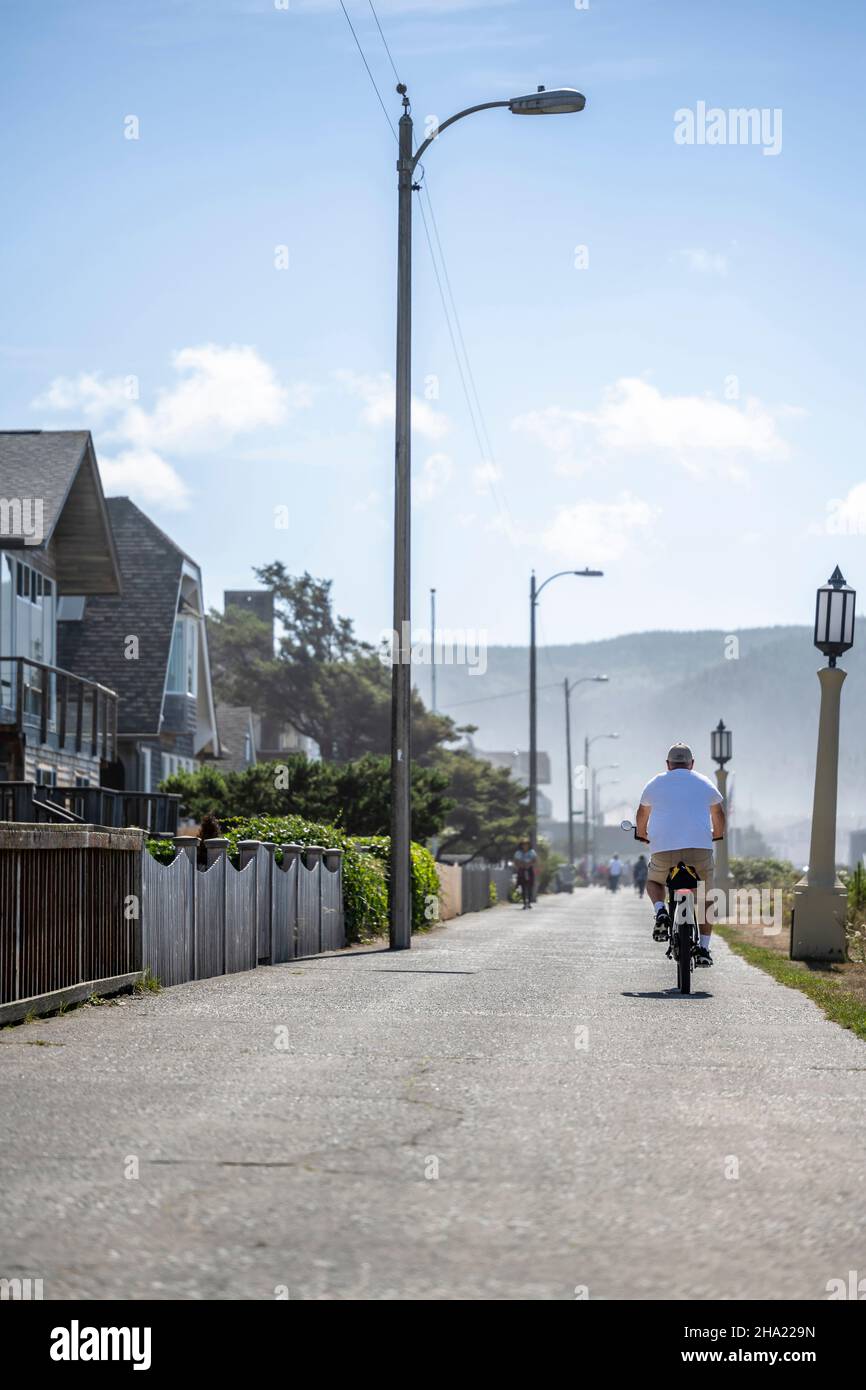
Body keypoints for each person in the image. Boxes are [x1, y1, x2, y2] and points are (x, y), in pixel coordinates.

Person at [633, 742, 726, 967]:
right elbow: (719, 815)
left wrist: (643, 834)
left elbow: (641, 815)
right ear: (691, 764)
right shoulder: (704, 782)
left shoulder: (655, 783)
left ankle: (661, 910)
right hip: (699, 849)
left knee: (654, 881)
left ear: (668, 764)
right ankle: (704, 948)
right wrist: (717, 835)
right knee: (706, 896)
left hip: (663, 849)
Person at [513, 837, 538, 909]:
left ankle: (529, 902)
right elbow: (516, 861)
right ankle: (524, 902)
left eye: (526, 844)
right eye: (524, 844)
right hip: (522, 870)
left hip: (529, 869)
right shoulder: (518, 853)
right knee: (523, 887)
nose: (525, 846)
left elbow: (535, 860)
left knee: (530, 887)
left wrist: (529, 864)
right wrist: (521, 865)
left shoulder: (532, 852)